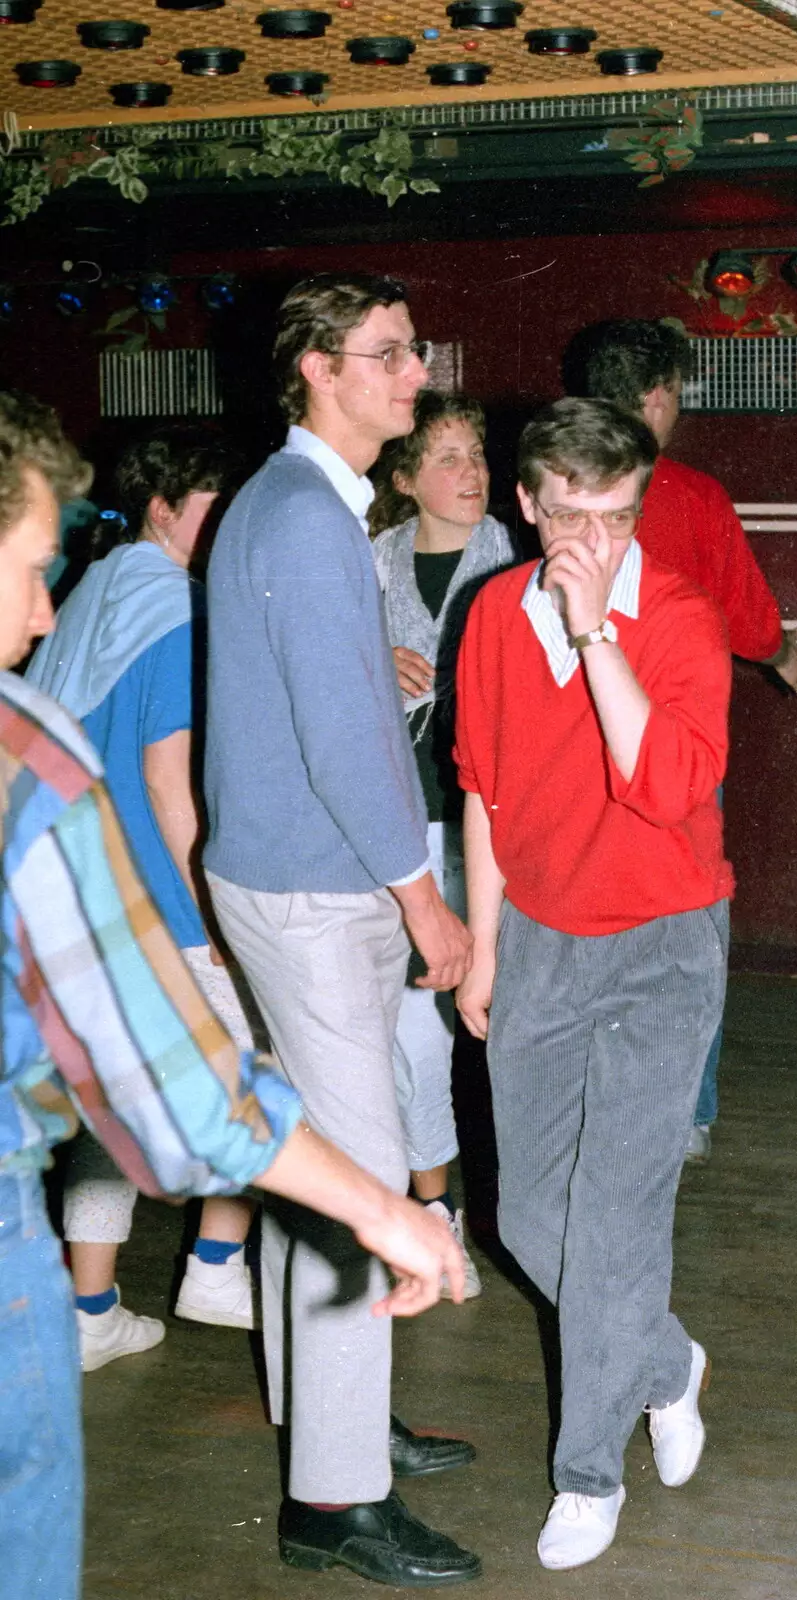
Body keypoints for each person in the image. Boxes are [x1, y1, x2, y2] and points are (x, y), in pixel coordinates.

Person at [0, 387, 466, 1600]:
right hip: (196, 911)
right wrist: (383, 1209)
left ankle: (334, 1430)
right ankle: (334, 1479)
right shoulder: (39, 747)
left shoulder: (170, 574)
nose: (47, 603)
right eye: (32, 565)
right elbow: (183, 1086)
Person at [203, 273, 481, 1586]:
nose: (412, 375)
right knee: (364, 1184)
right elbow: (344, 739)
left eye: (413, 353)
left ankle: (330, 1413)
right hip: (322, 892)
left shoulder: (293, 500)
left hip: (294, 878)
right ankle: (333, 1499)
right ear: (316, 368)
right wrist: (423, 898)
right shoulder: (308, 516)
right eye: (385, 356)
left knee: (318, 1161)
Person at [454, 397, 733, 1570]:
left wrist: (594, 630)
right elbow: (484, 789)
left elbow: (662, 784)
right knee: (524, 1215)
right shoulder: (486, 616)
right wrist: (480, 943)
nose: (593, 543)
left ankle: (586, 1472)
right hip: (539, 938)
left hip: (663, 945)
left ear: (639, 505)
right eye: (569, 516)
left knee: (613, 1221)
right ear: (526, 503)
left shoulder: (673, 618)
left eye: (616, 518)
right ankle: (665, 1362)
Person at [27, 426, 263, 1368]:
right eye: (212, 508)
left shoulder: (93, 590)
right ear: (164, 511)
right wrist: (211, 913)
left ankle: (92, 1311)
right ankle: (216, 1263)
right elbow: (171, 784)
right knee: (259, 1077)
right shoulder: (177, 607)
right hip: (157, 894)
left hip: (73, 891)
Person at [564, 318, 797, 1162]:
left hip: (570, 744)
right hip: (670, 746)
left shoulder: (549, 486)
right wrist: (784, 654)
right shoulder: (688, 493)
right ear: (655, 397)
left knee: (576, 919)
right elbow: (744, 613)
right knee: (688, 922)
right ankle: (687, 1113)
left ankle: (581, 1103)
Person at [369, 389, 516, 1299]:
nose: (471, 474)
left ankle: (513, 1201)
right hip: (400, 818)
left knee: (496, 1012)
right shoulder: (374, 560)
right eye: (449, 459)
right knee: (412, 1025)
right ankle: (433, 1203)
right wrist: (368, 660)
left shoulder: (516, 557)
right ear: (405, 478)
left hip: (493, 824)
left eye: (477, 455)